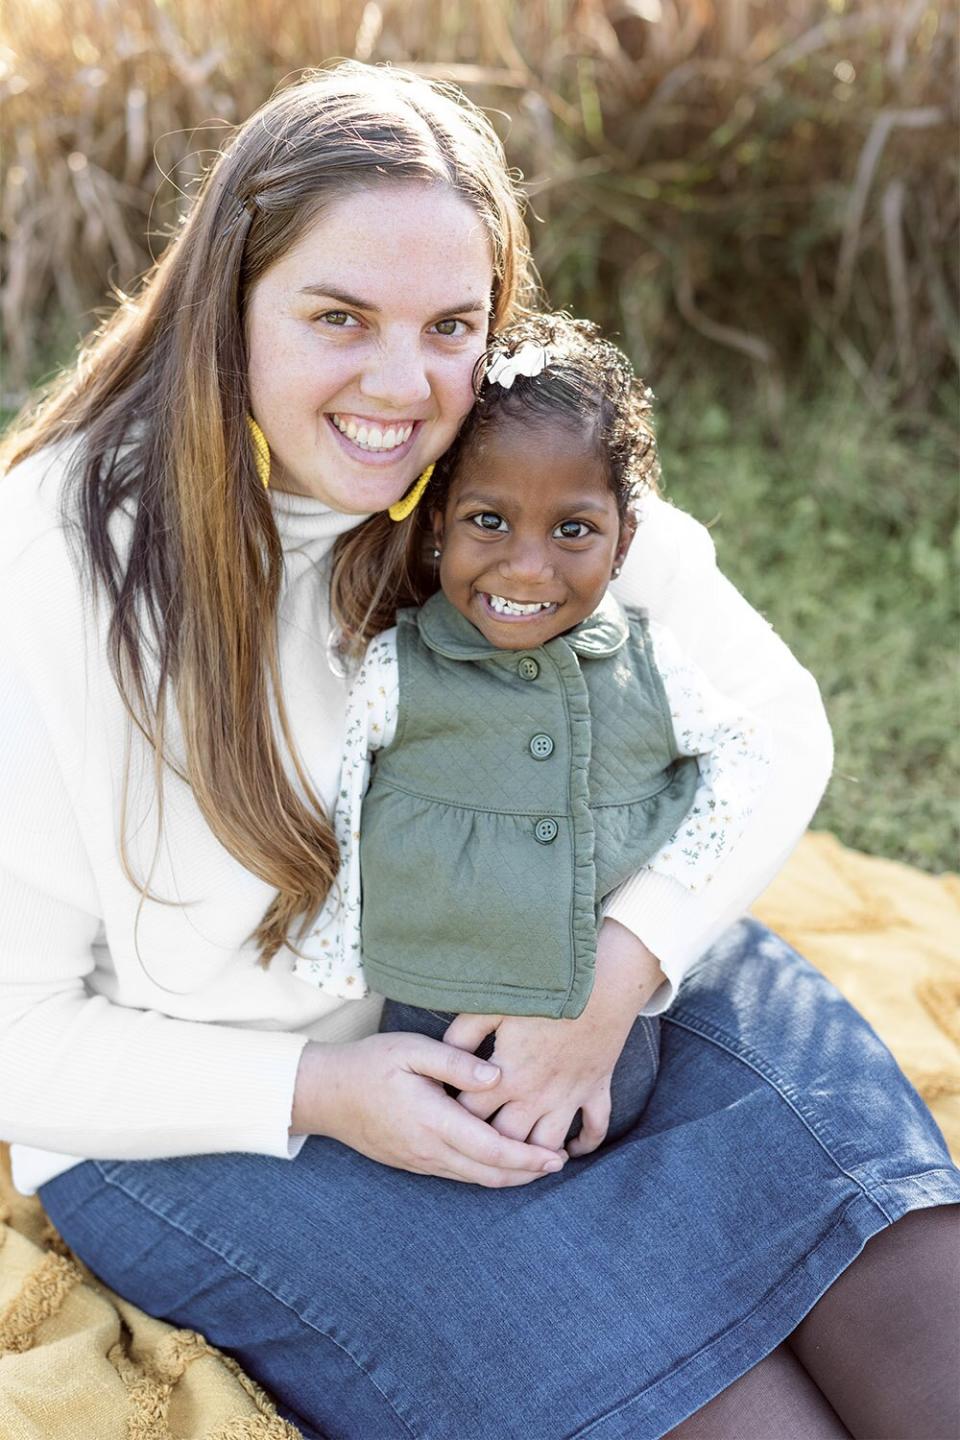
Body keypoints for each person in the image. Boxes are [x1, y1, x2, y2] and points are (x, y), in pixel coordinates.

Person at [0, 61, 956, 1440]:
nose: (406, 387)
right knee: (740, 1418)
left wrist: (616, 975)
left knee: (933, 1354)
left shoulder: (489, 457)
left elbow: (768, 721)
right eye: (340, 317)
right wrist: (317, 1091)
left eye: (452, 322)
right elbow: (16, 1031)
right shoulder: (56, 568)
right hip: (214, 1111)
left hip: (547, 958)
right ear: (229, 307)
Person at [299, 311, 772, 1153]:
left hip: (618, 1029)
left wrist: (645, 930)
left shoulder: (654, 664)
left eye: (573, 530)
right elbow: (339, 799)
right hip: (432, 1013)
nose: (527, 565)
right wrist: (338, 956)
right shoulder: (395, 670)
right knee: (462, 1172)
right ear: (437, 520)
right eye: (489, 521)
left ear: (623, 543)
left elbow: (743, 760)